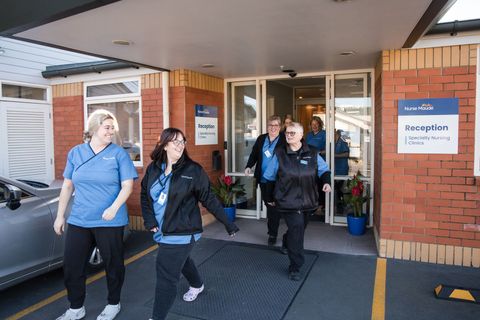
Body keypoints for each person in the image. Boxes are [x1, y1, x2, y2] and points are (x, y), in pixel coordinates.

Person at [141, 128, 239, 320]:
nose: (180, 145)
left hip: (182, 231)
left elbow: (209, 199)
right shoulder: (154, 168)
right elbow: (144, 195)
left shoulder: (192, 170)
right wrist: (149, 219)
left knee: (166, 278)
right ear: (164, 144)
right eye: (175, 141)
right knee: (183, 260)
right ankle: (197, 284)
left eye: (182, 141)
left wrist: (228, 223)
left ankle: (157, 317)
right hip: (162, 230)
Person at [53, 109, 138, 320]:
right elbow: (67, 186)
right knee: (73, 265)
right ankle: (76, 308)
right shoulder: (76, 153)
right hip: (80, 219)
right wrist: (60, 215)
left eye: (113, 128)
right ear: (94, 129)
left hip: (110, 220)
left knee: (113, 265)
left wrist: (114, 208)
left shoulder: (118, 154)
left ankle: (113, 303)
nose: (111, 131)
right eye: (107, 127)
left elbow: (127, 186)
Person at [263, 122, 331, 281]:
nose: (288, 135)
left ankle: (286, 241)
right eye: (287, 132)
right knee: (297, 230)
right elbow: (268, 177)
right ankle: (295, 266)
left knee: (299, 229)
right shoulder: (279, 153)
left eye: (293, 133)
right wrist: (269, 198)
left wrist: (326, 182)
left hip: (308, 201)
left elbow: (324, 170)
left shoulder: (312, 153)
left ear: (301, 135)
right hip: (287, 201)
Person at [245, 115, 286, 245]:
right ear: (267, 126)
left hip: (279, 180)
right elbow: (254, 154)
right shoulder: (261, 139)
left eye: (275, 125)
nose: (273, 128)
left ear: (280, 127)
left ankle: (273, 234)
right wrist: (248, 166)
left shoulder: (285, 139)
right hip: (263, 180)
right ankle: (273, 231)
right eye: (270, 125)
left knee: (275, 207)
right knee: (270, 206)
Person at [334, 129, 350, 213]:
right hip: (335, 169)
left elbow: (347, 154)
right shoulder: (332, 142)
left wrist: (335, 155)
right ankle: (339, 207)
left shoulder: (342, 141)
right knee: (337, 189)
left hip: (342, 169)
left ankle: (341, 207)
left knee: (340, 189)